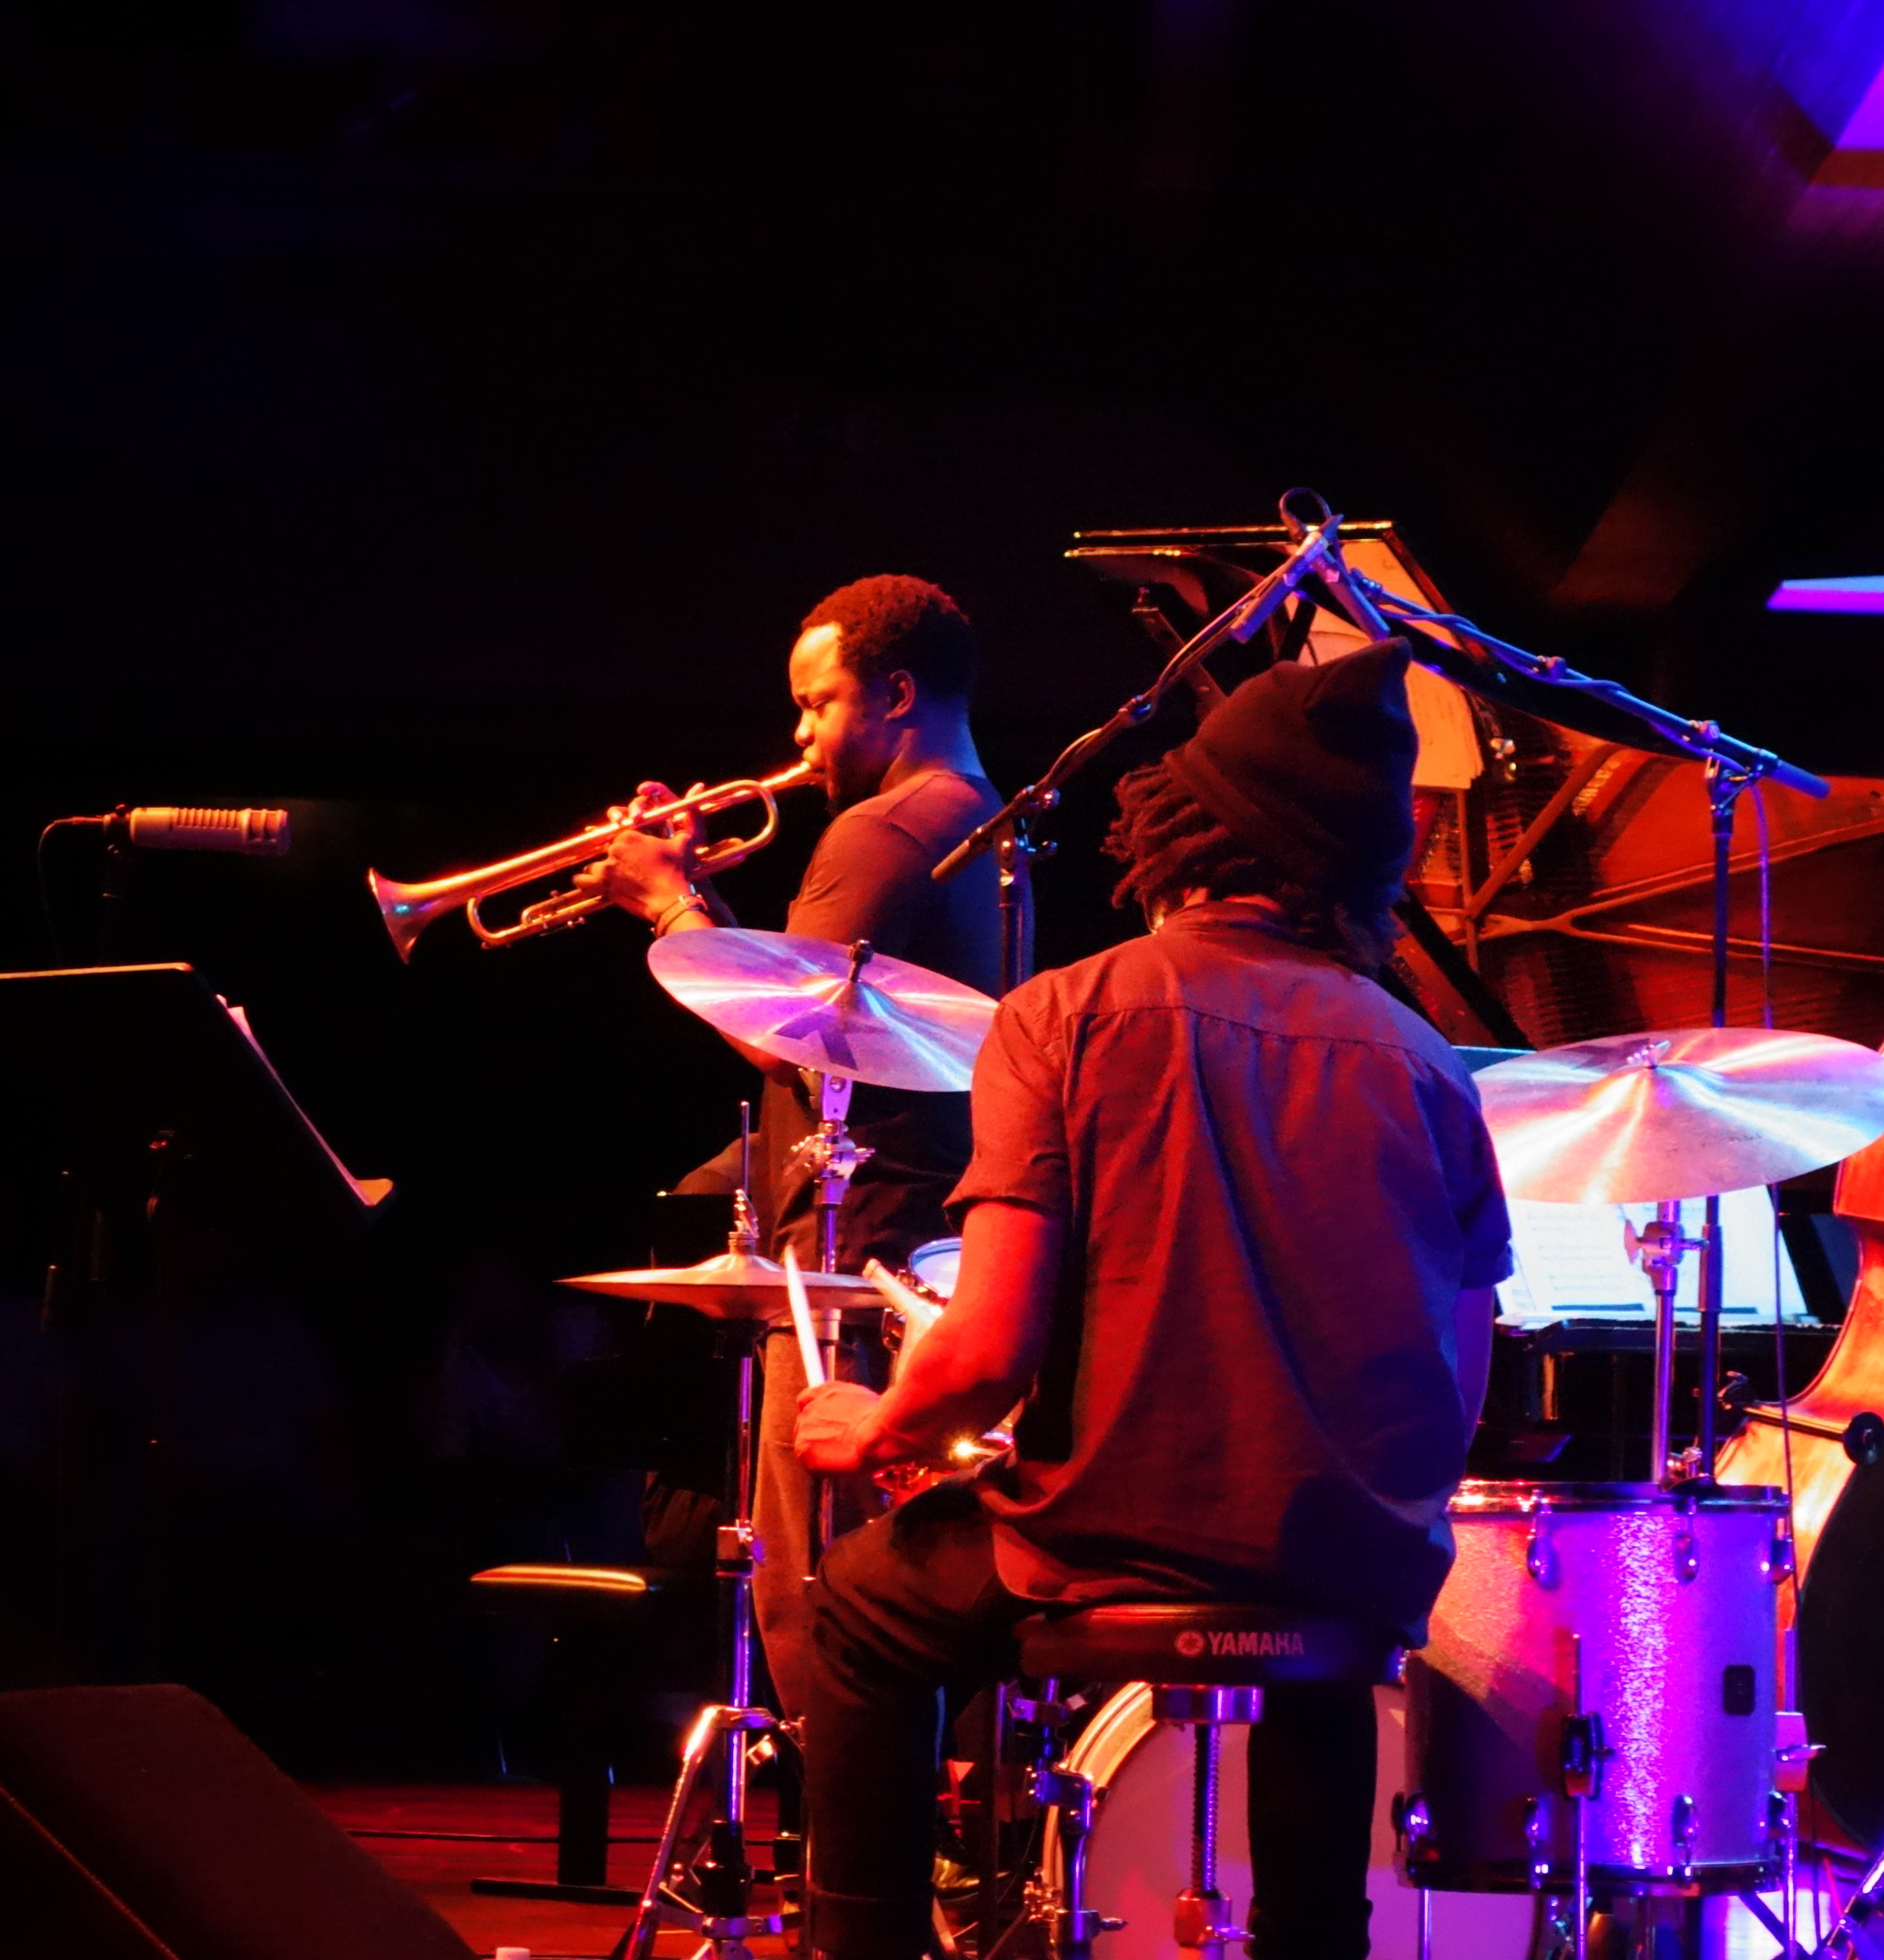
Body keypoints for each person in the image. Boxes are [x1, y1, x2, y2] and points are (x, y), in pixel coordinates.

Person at [788, 639, 1512, 1960]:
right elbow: (1452, 1391)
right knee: (1325, 1651)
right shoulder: (1427, 1065)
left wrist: (872, 1427)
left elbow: (989, 1352)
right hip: (1342, 1558)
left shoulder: (1065, 1014)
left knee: (853, 1612)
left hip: (1107, 1543)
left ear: (1178, 828)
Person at [575, 572, 1012, 1710]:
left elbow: (798, 1047)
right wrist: (701, 902)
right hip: (927, 1236)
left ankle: (847, 1863)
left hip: (844, 1245)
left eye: (818, 705)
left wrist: (671, 909)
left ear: (898, 694)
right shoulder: (987, 826)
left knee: (807, 1580)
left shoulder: (880, 830)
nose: (800, 735)